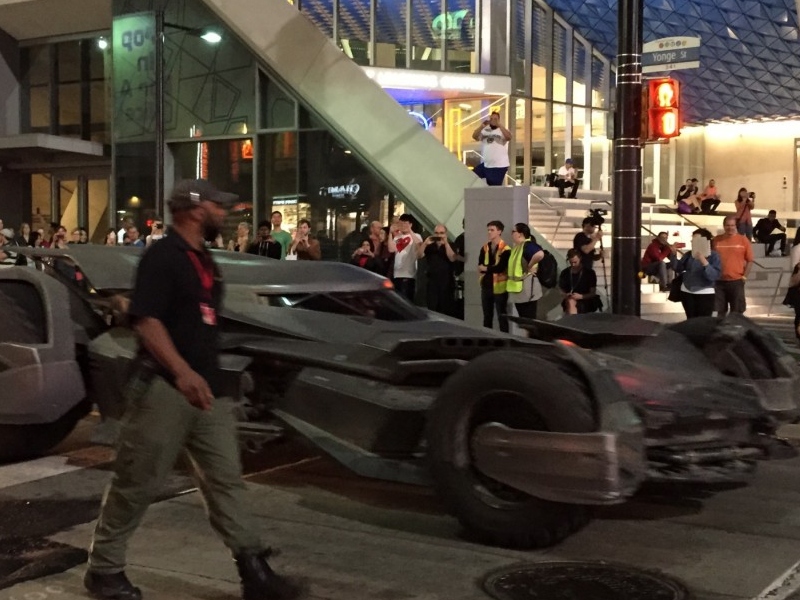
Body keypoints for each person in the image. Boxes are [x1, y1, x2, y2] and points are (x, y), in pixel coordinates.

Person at [84, 179, 301, 600]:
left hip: (207, 389)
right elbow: (147, 321)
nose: (226, 214)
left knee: (226, 481)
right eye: (219, 207)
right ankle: (104, 570)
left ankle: (253, 569)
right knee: (137, 481)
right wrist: (182, 373)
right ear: (195, 210)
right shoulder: (162, 257)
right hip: (165, 388)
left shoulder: (205, 259)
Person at [675, 228, 721, 319]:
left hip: (705, 291)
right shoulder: (689, 254)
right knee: (690, 319)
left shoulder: (714, 256)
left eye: (696, 240)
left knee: (703, 321)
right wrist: (672, 254)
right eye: (692, 239)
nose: (693, 242)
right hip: (687, 290)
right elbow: (678, 268)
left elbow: (714, 276)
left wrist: (704, 262)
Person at [713, 215, 754, 315]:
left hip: (736, 281)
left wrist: (744, 277)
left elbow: (750, 260)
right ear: (723, 226)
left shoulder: (743, 240)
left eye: (732, 225)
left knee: (737, 313)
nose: (730, 228)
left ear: (736, 226)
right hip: (719, 282)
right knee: (720, 312)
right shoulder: (716, 240)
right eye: (727, 225)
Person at [506, 223, 545, 320]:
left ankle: (531, 335)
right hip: (517, 289)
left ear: (520, 234)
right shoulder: (517, 248)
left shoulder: (528, 245)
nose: (511, 234)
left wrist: (530, 266)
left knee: (529, 320)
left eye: (513, 231)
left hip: (527, 288)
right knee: (523, 320)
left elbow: (540, 254)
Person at [478, 220, 511, 332]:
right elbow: (480, 265)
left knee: (502, 317)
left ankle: (505, 340)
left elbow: (500, 267)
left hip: (500, 288)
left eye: (492, 230)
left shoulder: (505, 249)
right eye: (488, 230)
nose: (489, 232)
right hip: (486, 286)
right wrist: (487, 268)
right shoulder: (485, 247)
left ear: (499, 231)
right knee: (487, 317)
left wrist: (486, 268)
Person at [417, 223, 456, 316]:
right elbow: (419, 255)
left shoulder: (451, 245)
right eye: (436, 233)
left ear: (446, 234)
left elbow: (452, 258)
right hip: (432, 281)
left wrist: (445, 243)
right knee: (432, 307)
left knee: (445, 308)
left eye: (441, 233)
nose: (439, 235)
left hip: (446, 282)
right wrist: (425, 243)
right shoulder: (430, 247)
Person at [387, 214, 422, 301]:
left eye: (405, 223)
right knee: (398, 300)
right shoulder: (397, 237)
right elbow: (391, 249)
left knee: (407, 299)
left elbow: (419, 245)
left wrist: (410, 231)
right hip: (397, 273)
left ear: (411, 224)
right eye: (401, 224)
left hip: (409, 274)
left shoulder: (416, 236)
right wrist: (390, 233)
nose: (403, 226)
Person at [471, 111, 512, 186]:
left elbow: (509, 137)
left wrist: (499, 125)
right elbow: (474, 136)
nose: (493, 120)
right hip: (486, 165)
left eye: (495, 119)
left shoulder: (502, 131)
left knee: (494, 188)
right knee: (471, 176)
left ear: (499, 120)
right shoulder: (485, 131)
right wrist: (482, 126)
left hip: (498, 166)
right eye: (491, 118)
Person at [558, 248, 601, 314]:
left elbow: (592, 293)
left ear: (580, 259)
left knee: (571, 302)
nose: (573, 265)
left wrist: (581, 296)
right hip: (570, 298)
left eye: (575, 262)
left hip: (586, 298)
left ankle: (572, 321)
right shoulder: (565, 273)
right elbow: (561, 290)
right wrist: (566, 295)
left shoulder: (589, 273)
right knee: (570, 301)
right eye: (571, 262)